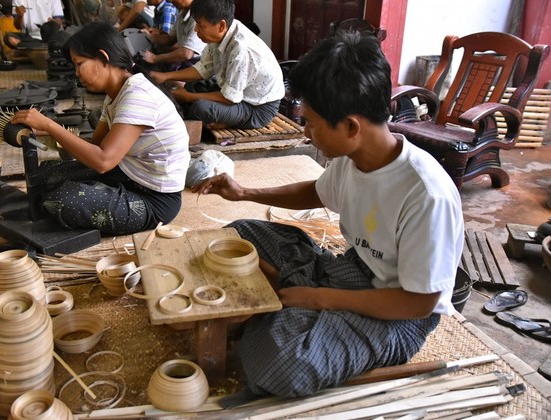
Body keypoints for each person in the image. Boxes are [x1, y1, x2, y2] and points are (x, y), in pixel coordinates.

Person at [191, 31, 465, 398]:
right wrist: (245, 193)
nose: (306, 133)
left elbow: (418, 303)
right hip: (351, 270)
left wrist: (318, 299)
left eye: (312, 123)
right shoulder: (353, 156)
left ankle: (288, 312)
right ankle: (288, 310)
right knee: (239, 236)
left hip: (399, 316)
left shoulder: (426, 194)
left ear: (351, 127)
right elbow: (317, 191)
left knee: (281, 362)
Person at [10, 22, 190, 236]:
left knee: (60, 200)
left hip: (155, 199)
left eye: (80, 64)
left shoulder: (138, 96)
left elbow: (103, 161)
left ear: (103, 57)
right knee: (46, 174)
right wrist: (46, 130)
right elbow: (95, 147)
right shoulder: (115, 93)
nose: (77, 73)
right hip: (127, 174)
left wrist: (50, 124)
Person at [150, 0, 285, 130]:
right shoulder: (223, 32)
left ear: (221, 25)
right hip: (238, 95)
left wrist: (188, 97)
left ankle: (233, 121)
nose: (196, 29)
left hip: (257, 108)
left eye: (201, 25)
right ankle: (228, 118)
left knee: (200, 107)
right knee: (193, 86)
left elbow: (229, 98)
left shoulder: (241, 50)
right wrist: (166, 76)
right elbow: (203, 69)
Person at [139, 0, 206, 72]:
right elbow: (170, 38)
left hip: (196, 64)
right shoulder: (182, 12)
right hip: (184, 61)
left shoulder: (198, 15)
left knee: (154, 74)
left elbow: (186, 54)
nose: (170, 1)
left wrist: (155, 58)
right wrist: (150, 37)